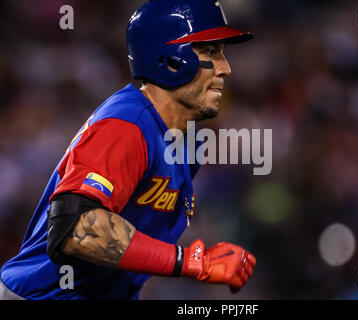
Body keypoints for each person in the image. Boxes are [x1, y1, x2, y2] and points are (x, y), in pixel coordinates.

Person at [0, 0, 256, 300]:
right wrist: (191, 262)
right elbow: (78, 230)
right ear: (171, 59)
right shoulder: (127, 124)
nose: (225, 68)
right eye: (211, 52)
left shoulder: (186, 138)